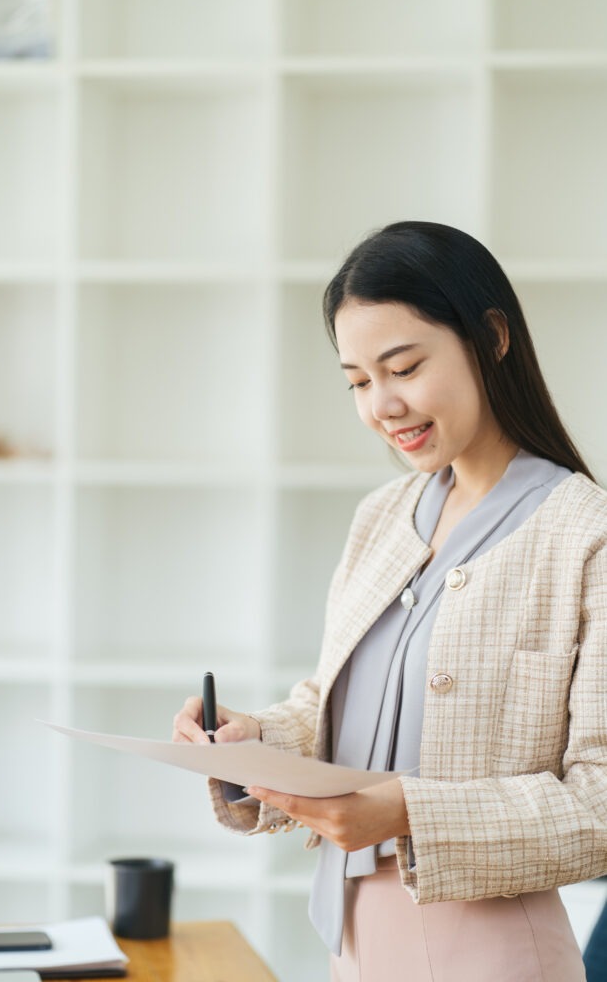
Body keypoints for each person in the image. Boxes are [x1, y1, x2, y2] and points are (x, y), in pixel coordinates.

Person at [173, 221, 607, 981]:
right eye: (357, 381)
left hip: (495, 955)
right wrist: (254, 740)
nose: (382, 405)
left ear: (492, 338)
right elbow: (338, 707)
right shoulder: (380, 517)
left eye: (402, 368)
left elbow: (599, 807)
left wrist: (407, 810)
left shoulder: (584, 536)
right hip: (358, 946)